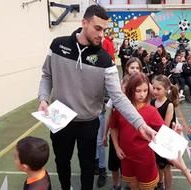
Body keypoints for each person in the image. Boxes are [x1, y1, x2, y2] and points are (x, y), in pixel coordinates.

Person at [37, 4, 157, 190]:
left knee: (87, 166)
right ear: (84, 23)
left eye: (105, 30)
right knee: (61, 162)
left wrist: (140, 124)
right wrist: (44, 99)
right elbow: (47, 75)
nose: (102, 35)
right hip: (59, 119)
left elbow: (118, 97)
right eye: (97, 28)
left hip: (89, 122)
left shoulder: (105, 60)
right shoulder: (58, 45)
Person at [110, 73, 166, 190]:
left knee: (146, 187)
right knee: (132, 185)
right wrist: (117, 147)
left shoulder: (151, 111)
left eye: (145, 90)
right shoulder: (121, 109)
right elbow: (114, 128)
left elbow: (164, 132)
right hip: (126, 156)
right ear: (130, 90)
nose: (142, 94)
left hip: (144, 158)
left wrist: (173, 132)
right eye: (138, 90)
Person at [151, 75, 179, 190]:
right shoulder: (152, 102)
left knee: (165, 168)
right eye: (153, 88)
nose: (155, 91)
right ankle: (160, 184)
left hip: (164, 140)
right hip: (154, 138)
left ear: (167, 89)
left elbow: (165, 126)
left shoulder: (169, 105)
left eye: (158, 89)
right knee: (157, 165)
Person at [103, 75, 131, 190]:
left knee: (128, 164)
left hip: (128, 139)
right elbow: (109, 117)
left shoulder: (133, 102)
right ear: (121, 86)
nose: (126, 90)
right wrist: (105, 134)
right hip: (115, 137)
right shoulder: (114, 99)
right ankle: (116, 185)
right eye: (125, 87)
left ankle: (129, 186)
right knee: (114, 165)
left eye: (130, 88)